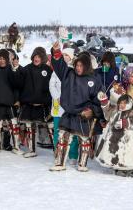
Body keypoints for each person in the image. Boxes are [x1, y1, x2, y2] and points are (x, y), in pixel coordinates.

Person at [49, 42, 103, 172]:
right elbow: (59, 65)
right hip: (69, 113)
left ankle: (82, 164)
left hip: (83, 115)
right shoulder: (68, 74)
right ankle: (59, 163)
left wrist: (92, 111)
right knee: (62, 138)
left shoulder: (94, 79)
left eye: (81, 65)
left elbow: (98, 100)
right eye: (77, 65)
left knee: (84, 141)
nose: (78, 68)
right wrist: (56, 52)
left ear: (87, 66)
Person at [16, 47, 53, 158]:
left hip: (44, 105)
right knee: (29, 127)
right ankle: (31, 150)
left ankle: (57, 150)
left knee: (50, 127)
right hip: (29, 104)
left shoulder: (48, 70)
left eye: (39, 57)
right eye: (35, 57)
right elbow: (18, 84)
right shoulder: (26, 69)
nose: (36, 59)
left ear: (43, 58)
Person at [96, 93, 133, 177]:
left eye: (124, 103)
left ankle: (128, 168)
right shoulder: (115, 111)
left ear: (129, 103)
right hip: (114, 138)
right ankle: (118, 168)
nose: (122, 105)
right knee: (114, 153)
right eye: (120, 103)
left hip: (127, 139)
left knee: (126, 154)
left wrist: (126, 123)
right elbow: (107, 114)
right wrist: (104, 101)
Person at [49, 47, 79, 164]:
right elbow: (51, 85)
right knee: (58, 130)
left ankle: (72, 155)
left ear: (71, 58)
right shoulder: (55, 71)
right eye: (64, 55)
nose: (65, 57)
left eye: (67, 55)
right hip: (58, 105)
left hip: (71, 105)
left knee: (73, 131)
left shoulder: (74, 70)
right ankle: (58, 151)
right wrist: (57, 97)